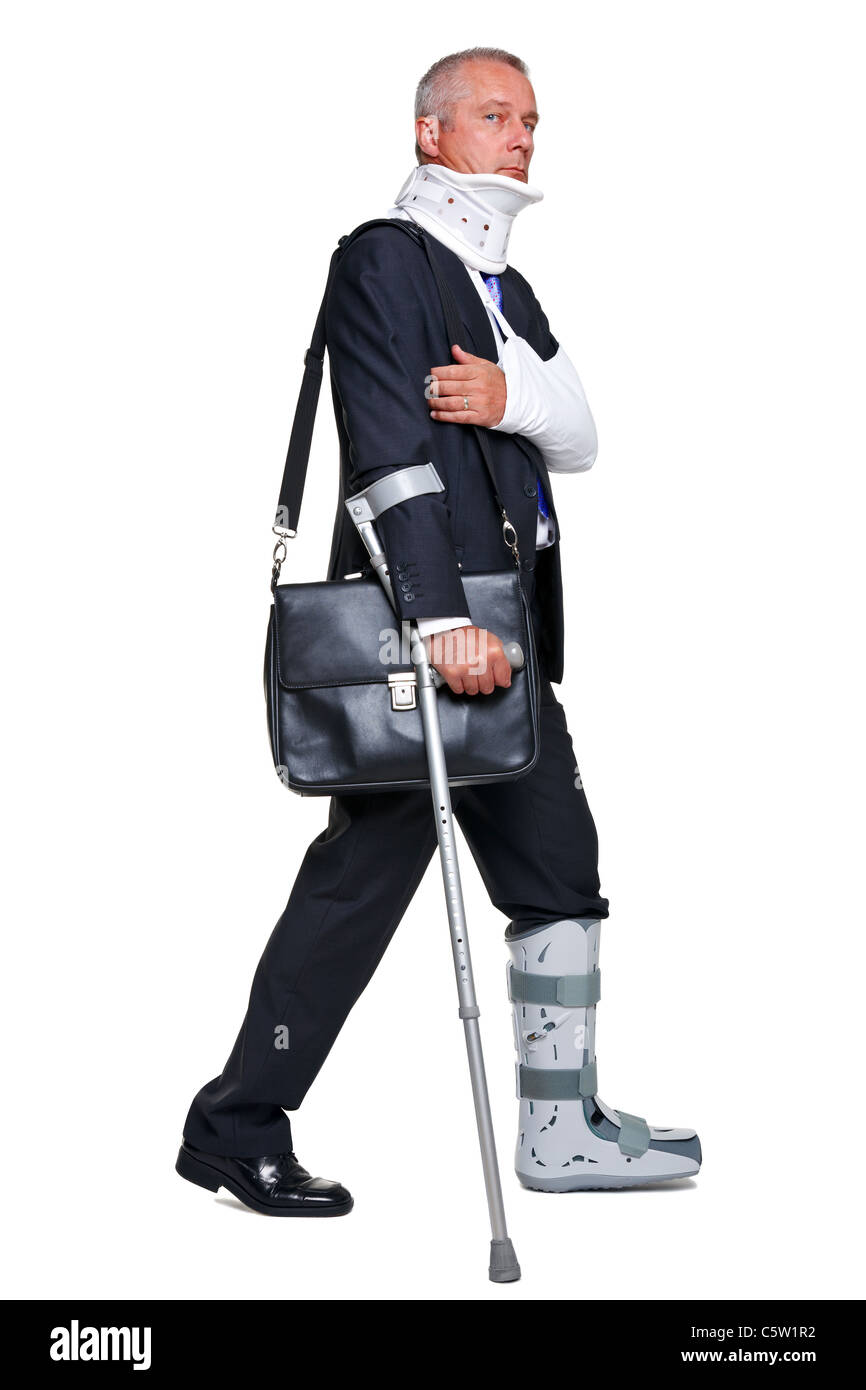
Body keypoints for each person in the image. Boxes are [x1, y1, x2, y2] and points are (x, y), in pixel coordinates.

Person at [176, 46, 701, 1215]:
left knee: (560, 869)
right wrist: (436, 618)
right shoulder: (386, 261)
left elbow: (576, 433)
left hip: (507, 650)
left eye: (529, 117)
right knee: (358, 889)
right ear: (430, 134)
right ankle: (236, 1124)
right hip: (439, 649)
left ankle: (561, 1127)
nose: (521, 136)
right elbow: (389, 459)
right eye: (493, 115)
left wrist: (511, 398)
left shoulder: (495, 286)